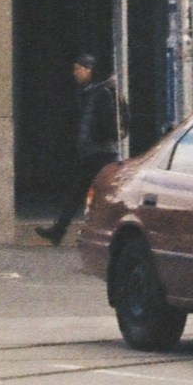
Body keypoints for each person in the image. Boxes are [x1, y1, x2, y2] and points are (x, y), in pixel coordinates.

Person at [41, 51, 121, 244]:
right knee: (85, 192)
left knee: (95, 193)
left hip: (100, 153)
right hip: (94, 152)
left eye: (78, 69)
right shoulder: (91, 91)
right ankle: (61, 230)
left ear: (89, 69)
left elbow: (108, 124)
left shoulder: (101, 93)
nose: (75, 73)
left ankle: (64, 231)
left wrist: (94, 138)